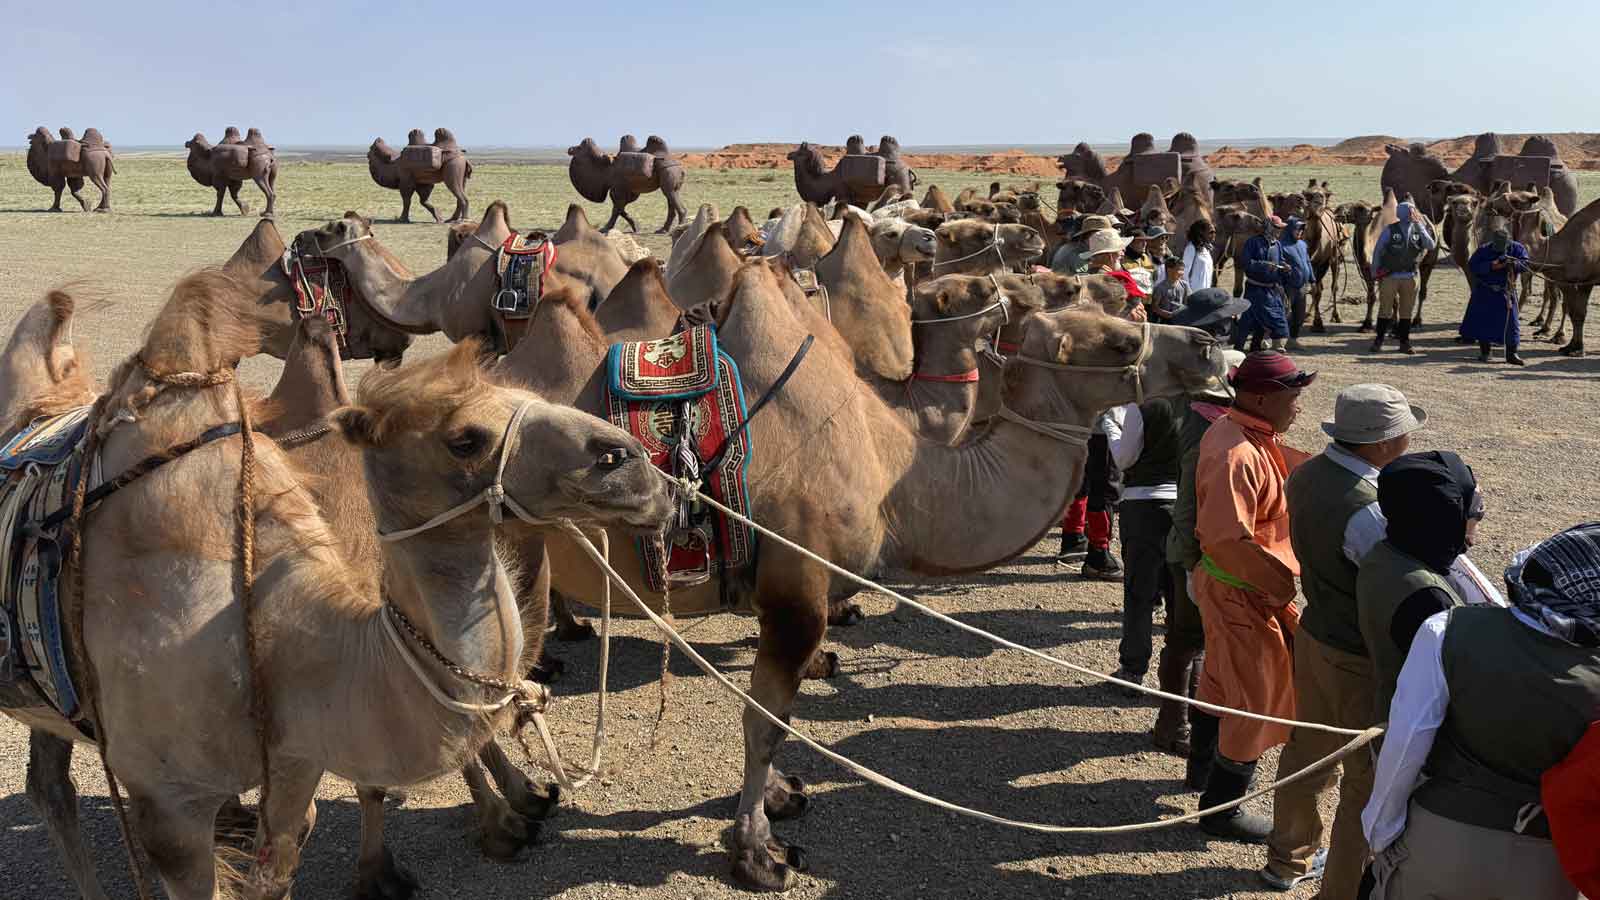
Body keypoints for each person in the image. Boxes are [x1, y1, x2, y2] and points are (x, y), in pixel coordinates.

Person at [1361, 522, 1600, 900]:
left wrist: (1381, 830)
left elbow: (1406, 744)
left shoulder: (1448, 629)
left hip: (1443, 838)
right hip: (1550, 862)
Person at [1262, 385, 1426, 894]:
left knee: (1306, 751)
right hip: (1357, 652)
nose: (1407, 441)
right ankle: (1342, 885)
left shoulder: (1309, 472)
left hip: (1315, 633)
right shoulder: (1370, 509)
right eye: (1401, 434)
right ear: (1378, 445)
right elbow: (1385, 581)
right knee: (1364, 779)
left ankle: (1286, 859)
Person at [1187, 350, 1315, 841]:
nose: (1298, 407)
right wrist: (1278, 583)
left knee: (1220, 679)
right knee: (1254, 696)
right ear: (1260, 397)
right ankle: (1222, 808)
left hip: (1234, 585)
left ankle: (1199, 770)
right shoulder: (1236, 451)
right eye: (1293, 397)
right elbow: (1226, 537)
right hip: (1241, 587)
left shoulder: (1243, 434)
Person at [1154, 293, 1250, 756]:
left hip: (1185, 528)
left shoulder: (1185, 389)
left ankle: (1177, 719)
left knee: (1188, 638)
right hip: (1193, 536)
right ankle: (1178, 723)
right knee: (1190, 638)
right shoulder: (1204, 416)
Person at [1355, 452, 1480, 724]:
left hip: (1388, 704)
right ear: (1448, 519)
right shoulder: (1430, 598)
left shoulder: (1387, 552)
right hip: (1417, 729)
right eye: (1472, 513)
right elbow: (1458, 684)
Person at [1104, 393, 1181, 690]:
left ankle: (1133, 668)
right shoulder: (1197, 403)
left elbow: (1124, 458)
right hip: (1181, 505)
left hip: (1144, 504)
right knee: (1178, 597)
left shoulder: (1146, 406)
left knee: (1139, 594)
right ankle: (1178, 677)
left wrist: (1112, 427)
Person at [1370, 201, 1436, 355]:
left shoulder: (1418, 230)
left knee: (1406, 311)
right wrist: (1375, 271)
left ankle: (1404, 342)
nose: (1409, 213)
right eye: (1407, 211)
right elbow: (1378, 251)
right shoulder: (1390, 230)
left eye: (1411, 210)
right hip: (1390, 276)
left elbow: (1430, 245)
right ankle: (1379, 340)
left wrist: (1419, 226)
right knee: (1385, 310)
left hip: (1410, 276)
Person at [1460, 223, 1530, 365]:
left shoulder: (1516, 248)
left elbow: (1525, 264)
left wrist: (1513, 264)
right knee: (1483, 323)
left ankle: (1512, 354)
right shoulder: (1484, 250)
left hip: (1506, 292)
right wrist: (1491, 266)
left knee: (1512, 325)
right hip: (1485, 292)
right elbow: (1473, 266)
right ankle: (1485, 352)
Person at [1235, 216, 1294, 353]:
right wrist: (1265, 266)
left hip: (1271, 291)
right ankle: (1238, 349)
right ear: (1269, 227)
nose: (1279, 231)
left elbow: (1280, 262)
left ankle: (1258, 349)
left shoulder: (1277, 245)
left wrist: (1285, 268)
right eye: (1277, 228)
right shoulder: (1253, 243)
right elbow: (1246, 263)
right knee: (1248, 321)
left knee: (1269, 321)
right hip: (1254, 290)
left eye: (1280, 228)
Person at [1278, 217, 1316, 351]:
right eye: (1297, 229)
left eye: (1301, 229)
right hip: (1288, 286)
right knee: (1284, 313)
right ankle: (1277, 342)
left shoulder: (1303, 244)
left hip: (1302, 286)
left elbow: (1307, 262)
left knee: (1299, 315)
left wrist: (1312, 280)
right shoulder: (1281, 245)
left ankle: (1292, 339)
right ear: (1289, 230)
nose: (1300, 232)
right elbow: (1279, 264)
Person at [1051, 214, 1115, 274]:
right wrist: (1096, 266)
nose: (1106, 238)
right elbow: (1085, 273)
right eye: (1103, 234)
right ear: (1090, 234)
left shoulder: (1086, 247)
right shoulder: (1075, 251)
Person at [1183, 219, 1217, 290]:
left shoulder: (1206, 249)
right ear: (1201, 233)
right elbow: (1184, 274)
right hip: (1194, 294)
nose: (1214, 234)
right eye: (1211, 232)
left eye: (1214, 232)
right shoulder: (1191, 248)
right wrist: (1189, 293)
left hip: (1205, 294)